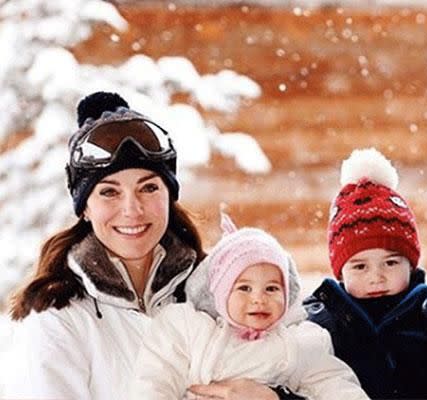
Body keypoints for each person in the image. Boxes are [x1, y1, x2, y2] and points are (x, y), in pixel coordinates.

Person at [5, 92, 298, 400]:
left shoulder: (221, 289)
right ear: (85, 208)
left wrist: (276, 398)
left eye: (148, 188)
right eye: (109, 192)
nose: (132, 209)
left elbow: (310, 369)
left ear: (168, 197)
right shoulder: (59, 320)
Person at [130, 213, 369, 400]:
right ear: (221, 292)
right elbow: (156, 380)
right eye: (244, 288)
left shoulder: (298, 344)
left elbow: (335, 386)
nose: (259, 299)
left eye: (272, 288)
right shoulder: (191, 329)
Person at [304, 148, 427, 399]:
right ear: (341, 273)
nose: (377, 277)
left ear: (411, 264)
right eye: (360, 266)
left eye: (391, 263)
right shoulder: (319, 328)